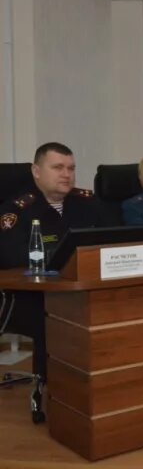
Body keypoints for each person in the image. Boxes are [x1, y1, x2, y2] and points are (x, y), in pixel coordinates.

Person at [0, 142, 108, 413]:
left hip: (83, 289)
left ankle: (104, 383)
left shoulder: (88, 203)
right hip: (29, 296)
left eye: (71, 168)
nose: (66, 174)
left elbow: (110, 240)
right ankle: (57, 390)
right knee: (61, 315)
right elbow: (12, 260)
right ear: (36, 171)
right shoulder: (17, 211)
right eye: (57, 167)